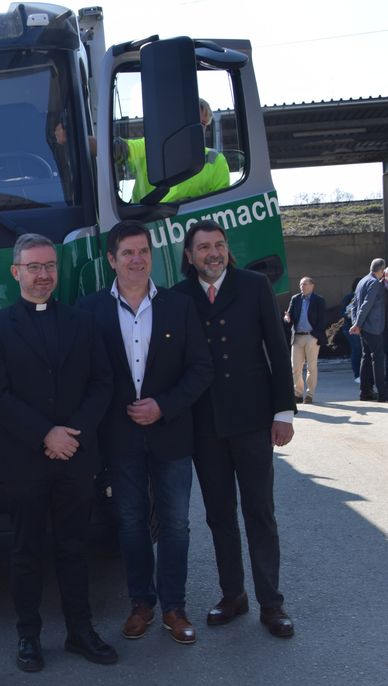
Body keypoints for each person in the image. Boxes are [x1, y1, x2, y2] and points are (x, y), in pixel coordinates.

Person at [0, 233, 116, 672]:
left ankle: (80, 631)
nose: (43, 275)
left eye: (49, 266)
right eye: (33, 267)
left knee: (75, 548)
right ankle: (28, 636)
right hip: (24, 459)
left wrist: (71, 433)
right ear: (15, 271)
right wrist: (45, 434)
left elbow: (102, 384)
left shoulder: (82, 321)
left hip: (76, 455)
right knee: (26, 550)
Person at [77, 222, 213, 644]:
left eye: (143, 252)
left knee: (175, 524)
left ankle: (173, 607)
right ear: (112, 260)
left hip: (171, 433)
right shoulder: (89, 311)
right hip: (119, 438)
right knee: (131, 522)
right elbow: (86, 377)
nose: (137, 260)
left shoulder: (177, 306)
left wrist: (163, 405)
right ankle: (142, 604)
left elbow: (201, 369)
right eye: (128, 253)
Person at [174, 221, 296, 638]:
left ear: (228, 250)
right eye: (203, 247)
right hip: (205, 426)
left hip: (252, 420)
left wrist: (284, 411)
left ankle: (272, 603)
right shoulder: (178, 296)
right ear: (189, 255)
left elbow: (277, 350)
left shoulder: (254, 285)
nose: (213, 253)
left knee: (260, 511)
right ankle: (233, 595)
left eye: (219, 245)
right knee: (219, 515)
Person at [116, 99, 230, 204]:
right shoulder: (150, 148)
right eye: (192, 121)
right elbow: (123, 149)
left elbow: (222, 207)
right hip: (143, 223)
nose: (197, 128)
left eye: (203, 124)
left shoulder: (215, 160)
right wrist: (114, 147)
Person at [349, 258, 387, 402]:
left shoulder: (362, 281)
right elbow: (366, 305)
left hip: (364, 327)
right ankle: (383, 394)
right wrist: (357, 324)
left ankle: (365, 392)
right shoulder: (375, 283)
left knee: (366, 358)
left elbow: (354, 305)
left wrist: (356, 323)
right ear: (382, 270)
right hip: (373, 327)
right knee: (377, 359)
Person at [284, 276, 326, 403]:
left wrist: (315, 334)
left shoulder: (319, 300)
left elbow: (323, 319)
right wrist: (287, 319)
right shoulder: (295, 299)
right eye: (301, 284)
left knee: (311, 367)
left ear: (312, 286)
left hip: (311, 336)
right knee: (295, 366)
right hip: (297, 336)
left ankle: (310, 395)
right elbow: (289, 316)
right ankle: (298, 393)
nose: (302, 286)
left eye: (305, 284)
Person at [340, 278, 362, 383]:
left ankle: (364, 374)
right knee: (357, 349)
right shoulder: (349, 297)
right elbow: (344, 313)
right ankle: (357, 374)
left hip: (362, 328)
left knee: (363, 351)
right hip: (350, 328)